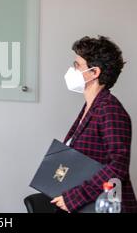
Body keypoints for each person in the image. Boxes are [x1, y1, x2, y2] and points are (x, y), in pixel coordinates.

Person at [51, 36, 137, 213]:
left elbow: (117, 166)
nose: (72, 69)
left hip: (104, 206)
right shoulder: (91, 107)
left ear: (94, 72)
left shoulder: (110, 109)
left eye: (77, 65)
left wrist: (75, 197)